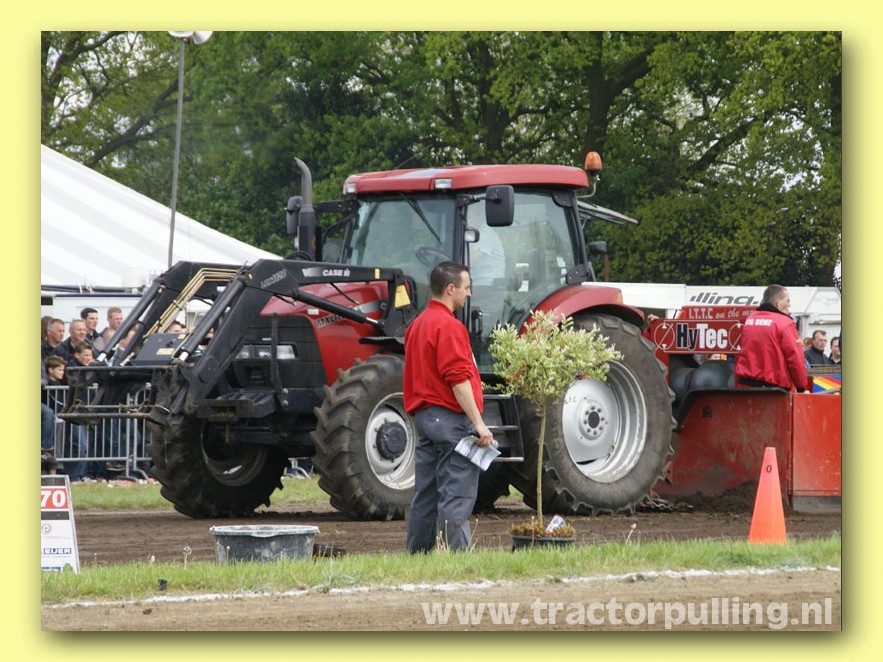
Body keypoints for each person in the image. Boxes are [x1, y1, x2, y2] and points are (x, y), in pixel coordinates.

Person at [403, 261, 494, 553]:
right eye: (466, 288)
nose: (469, 293)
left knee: (425, 496)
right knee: (456, 495)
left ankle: (418, 556)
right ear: (450, 289)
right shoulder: (450, 327)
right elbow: (458, 381)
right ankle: (456, 560)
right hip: (451, 421)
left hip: (425, 419)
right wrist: (478, 424)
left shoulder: (416, 325)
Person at [735, 284, 807, 392]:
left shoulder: (750, 319)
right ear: (778, 303)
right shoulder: (785, 323)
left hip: (746, 386)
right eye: (787, 301)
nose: (789, 304)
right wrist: (801, 387)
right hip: (774, 390)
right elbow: (795, 358)